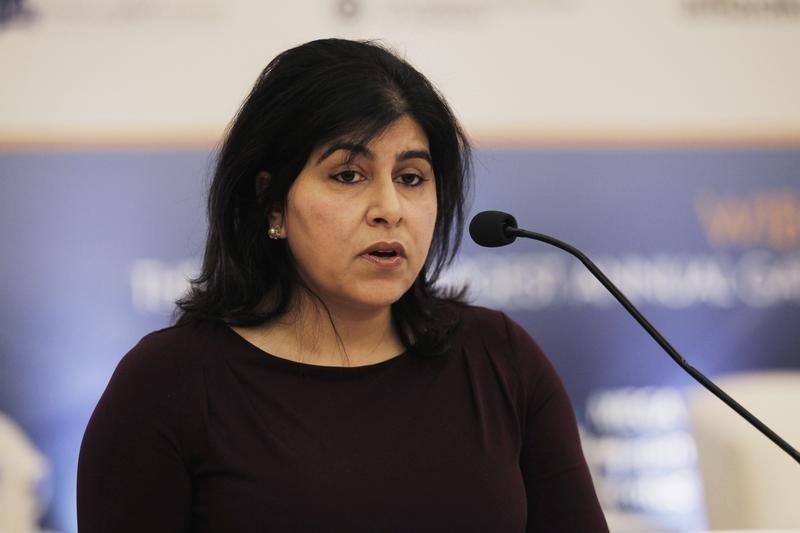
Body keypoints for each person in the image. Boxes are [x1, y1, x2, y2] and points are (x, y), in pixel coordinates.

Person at [77, 38, 608, 532]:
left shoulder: (498, 357)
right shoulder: (167, 384)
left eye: (411, 177)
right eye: (348, 175)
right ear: (272, 202)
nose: (389, 209)